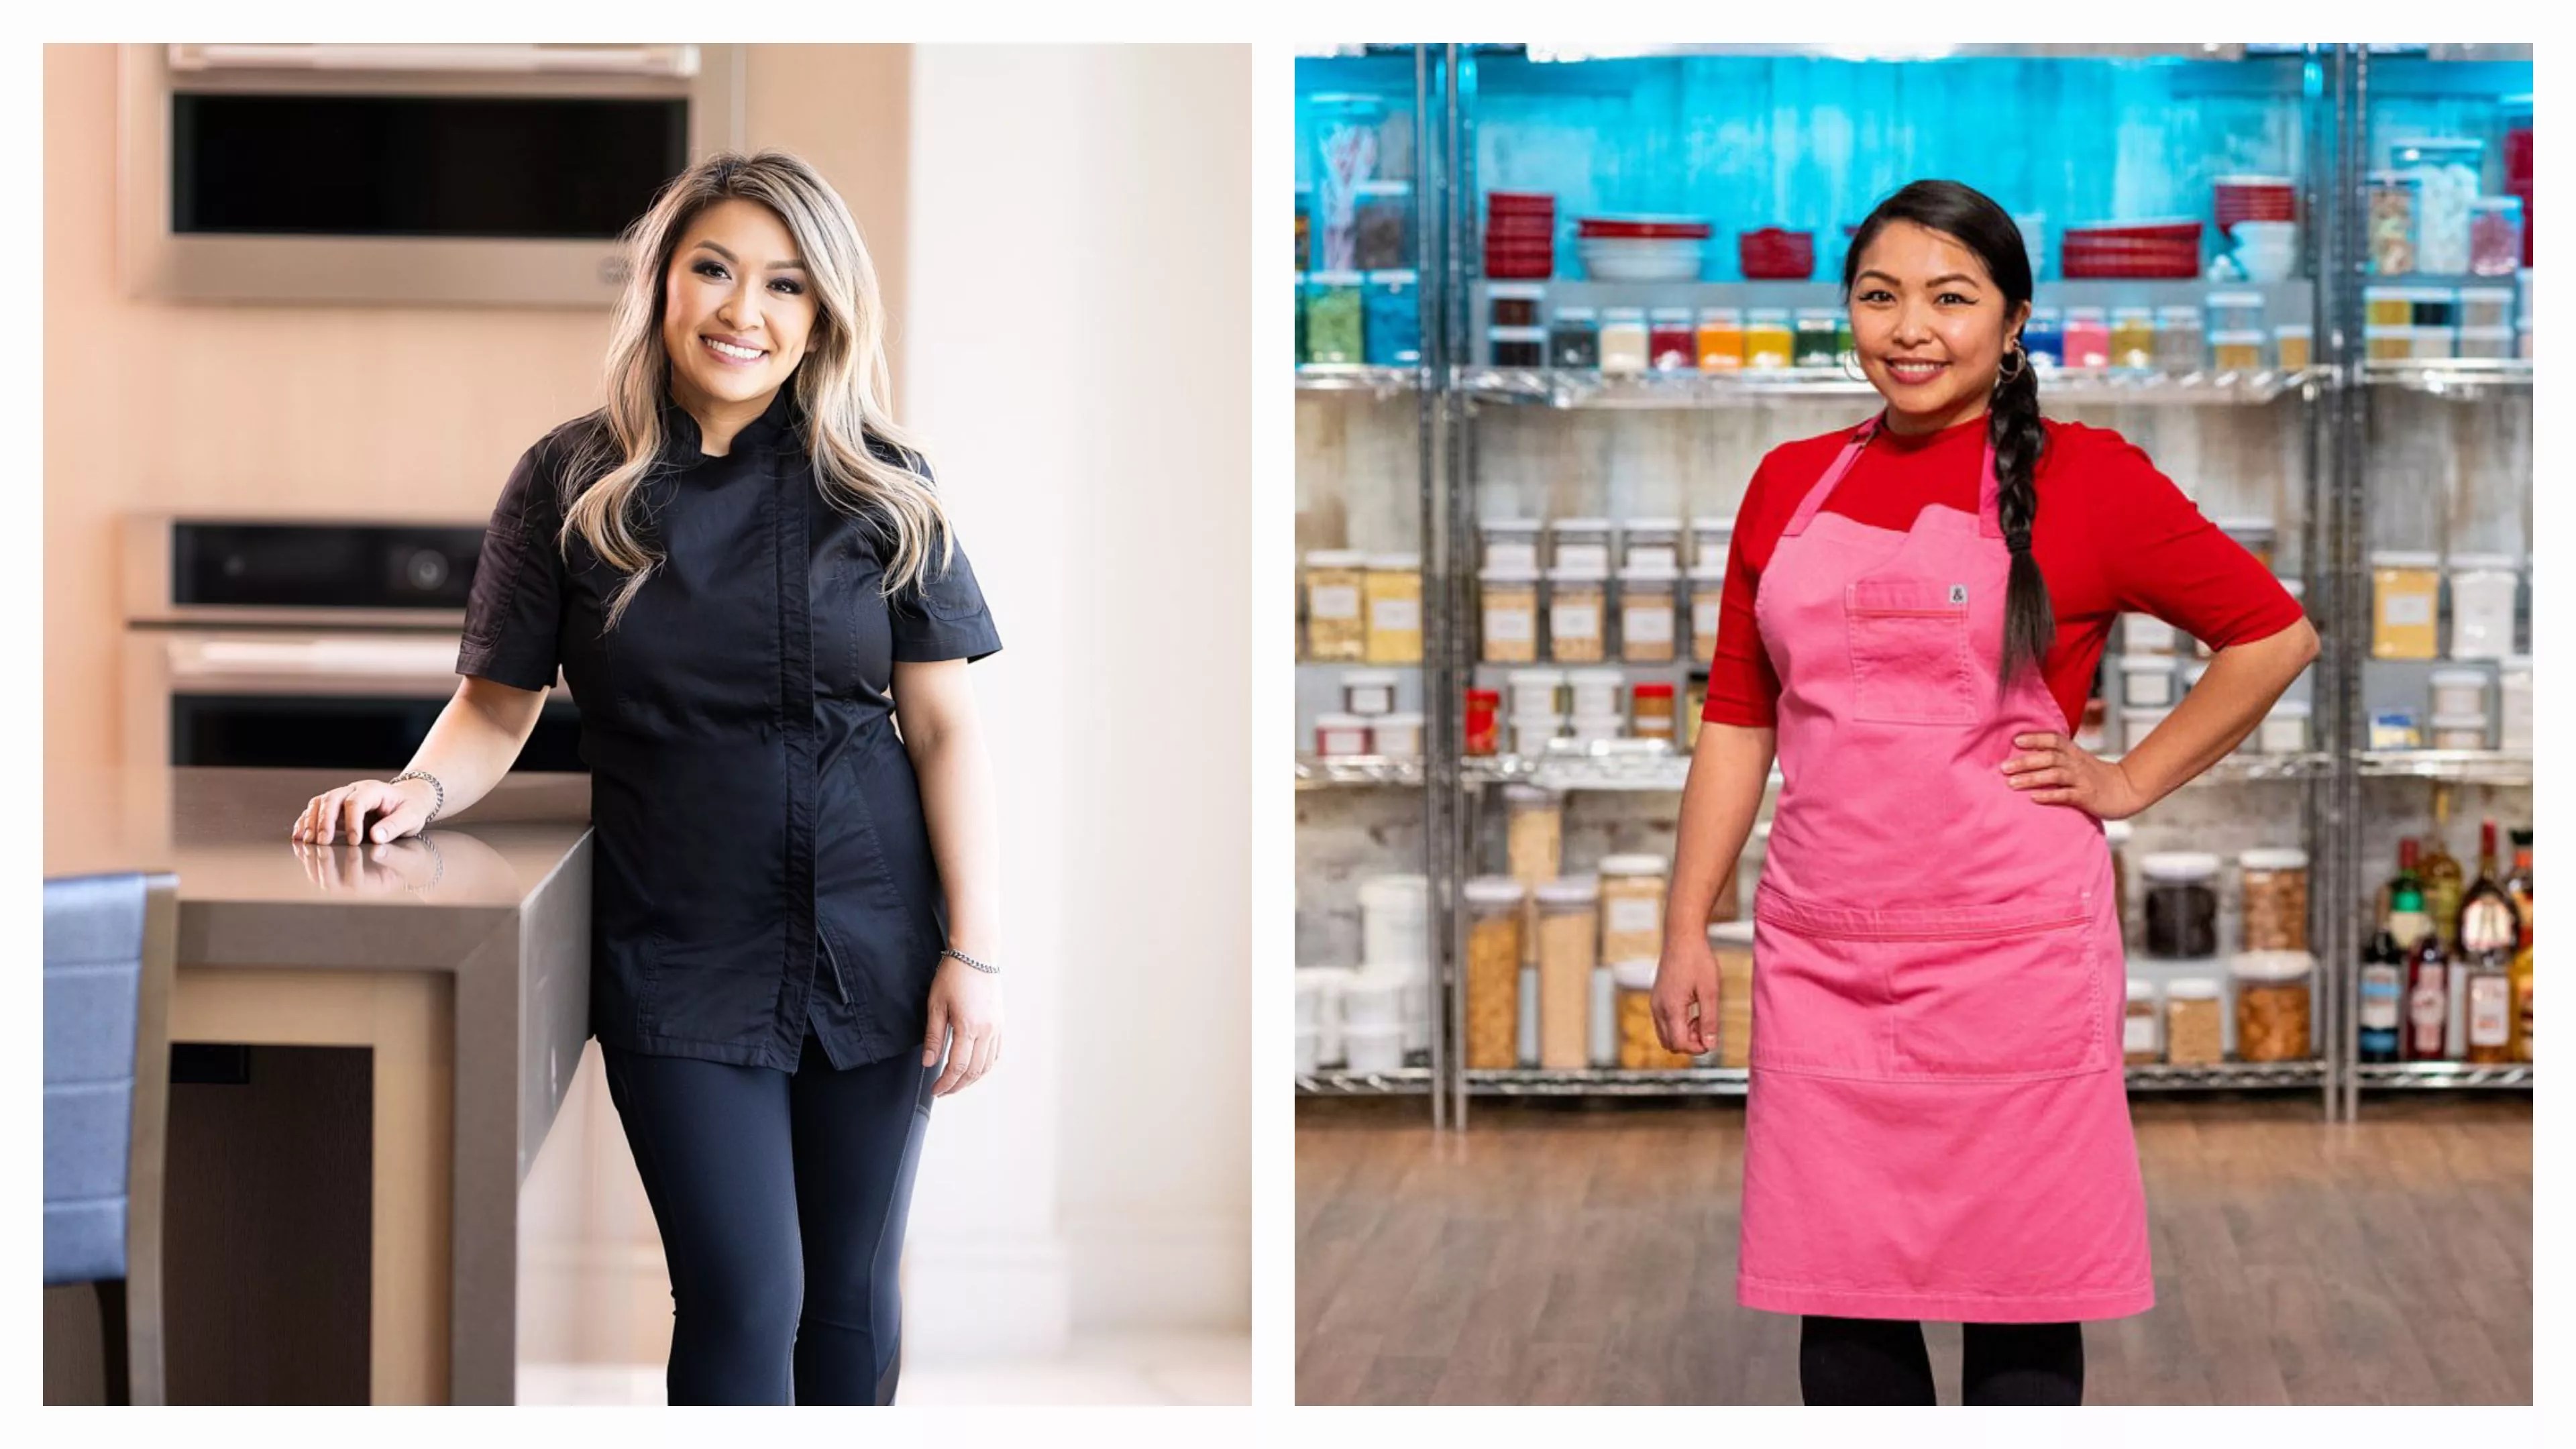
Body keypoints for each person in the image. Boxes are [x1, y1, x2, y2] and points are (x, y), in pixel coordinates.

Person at [288, 150, 1007, 1405]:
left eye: (786, 286)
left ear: (824, 314)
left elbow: (944, 731)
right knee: (745, 1295)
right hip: (679, 944)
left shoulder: (885, 485)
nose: (746, 312)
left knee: (848, 1299)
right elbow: (495, 708)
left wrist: (977, 952)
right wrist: (414, 790)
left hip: (875, 934)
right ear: (663, 283)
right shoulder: (570, 480)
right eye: (716, 271)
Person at [1650, 179, 2318, 1405]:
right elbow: (1739, 719)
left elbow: (2273, 637)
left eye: (1950, 299)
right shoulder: (1789, 481)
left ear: (2015, 322)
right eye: (1879, 295)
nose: (1910, 329)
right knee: (1842, 1297)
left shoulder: (2090, 480)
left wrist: (2125, 781)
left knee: (2022, 1298)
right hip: (1825, 954)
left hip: (2011, 964)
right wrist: (1686, 926)